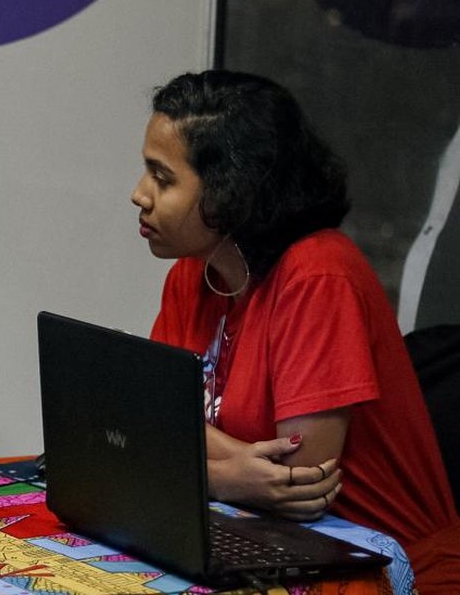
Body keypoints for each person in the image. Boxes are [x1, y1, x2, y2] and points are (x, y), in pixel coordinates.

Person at [132, 69, 459, 592]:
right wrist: (231, 472)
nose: (139, 194)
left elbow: (300, 479)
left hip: (379, 566)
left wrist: (199, 462)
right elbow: (150, 421)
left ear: (230, 190)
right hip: (261, 539)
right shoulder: (190, 274)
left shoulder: (318, 273)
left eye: (163, 177)